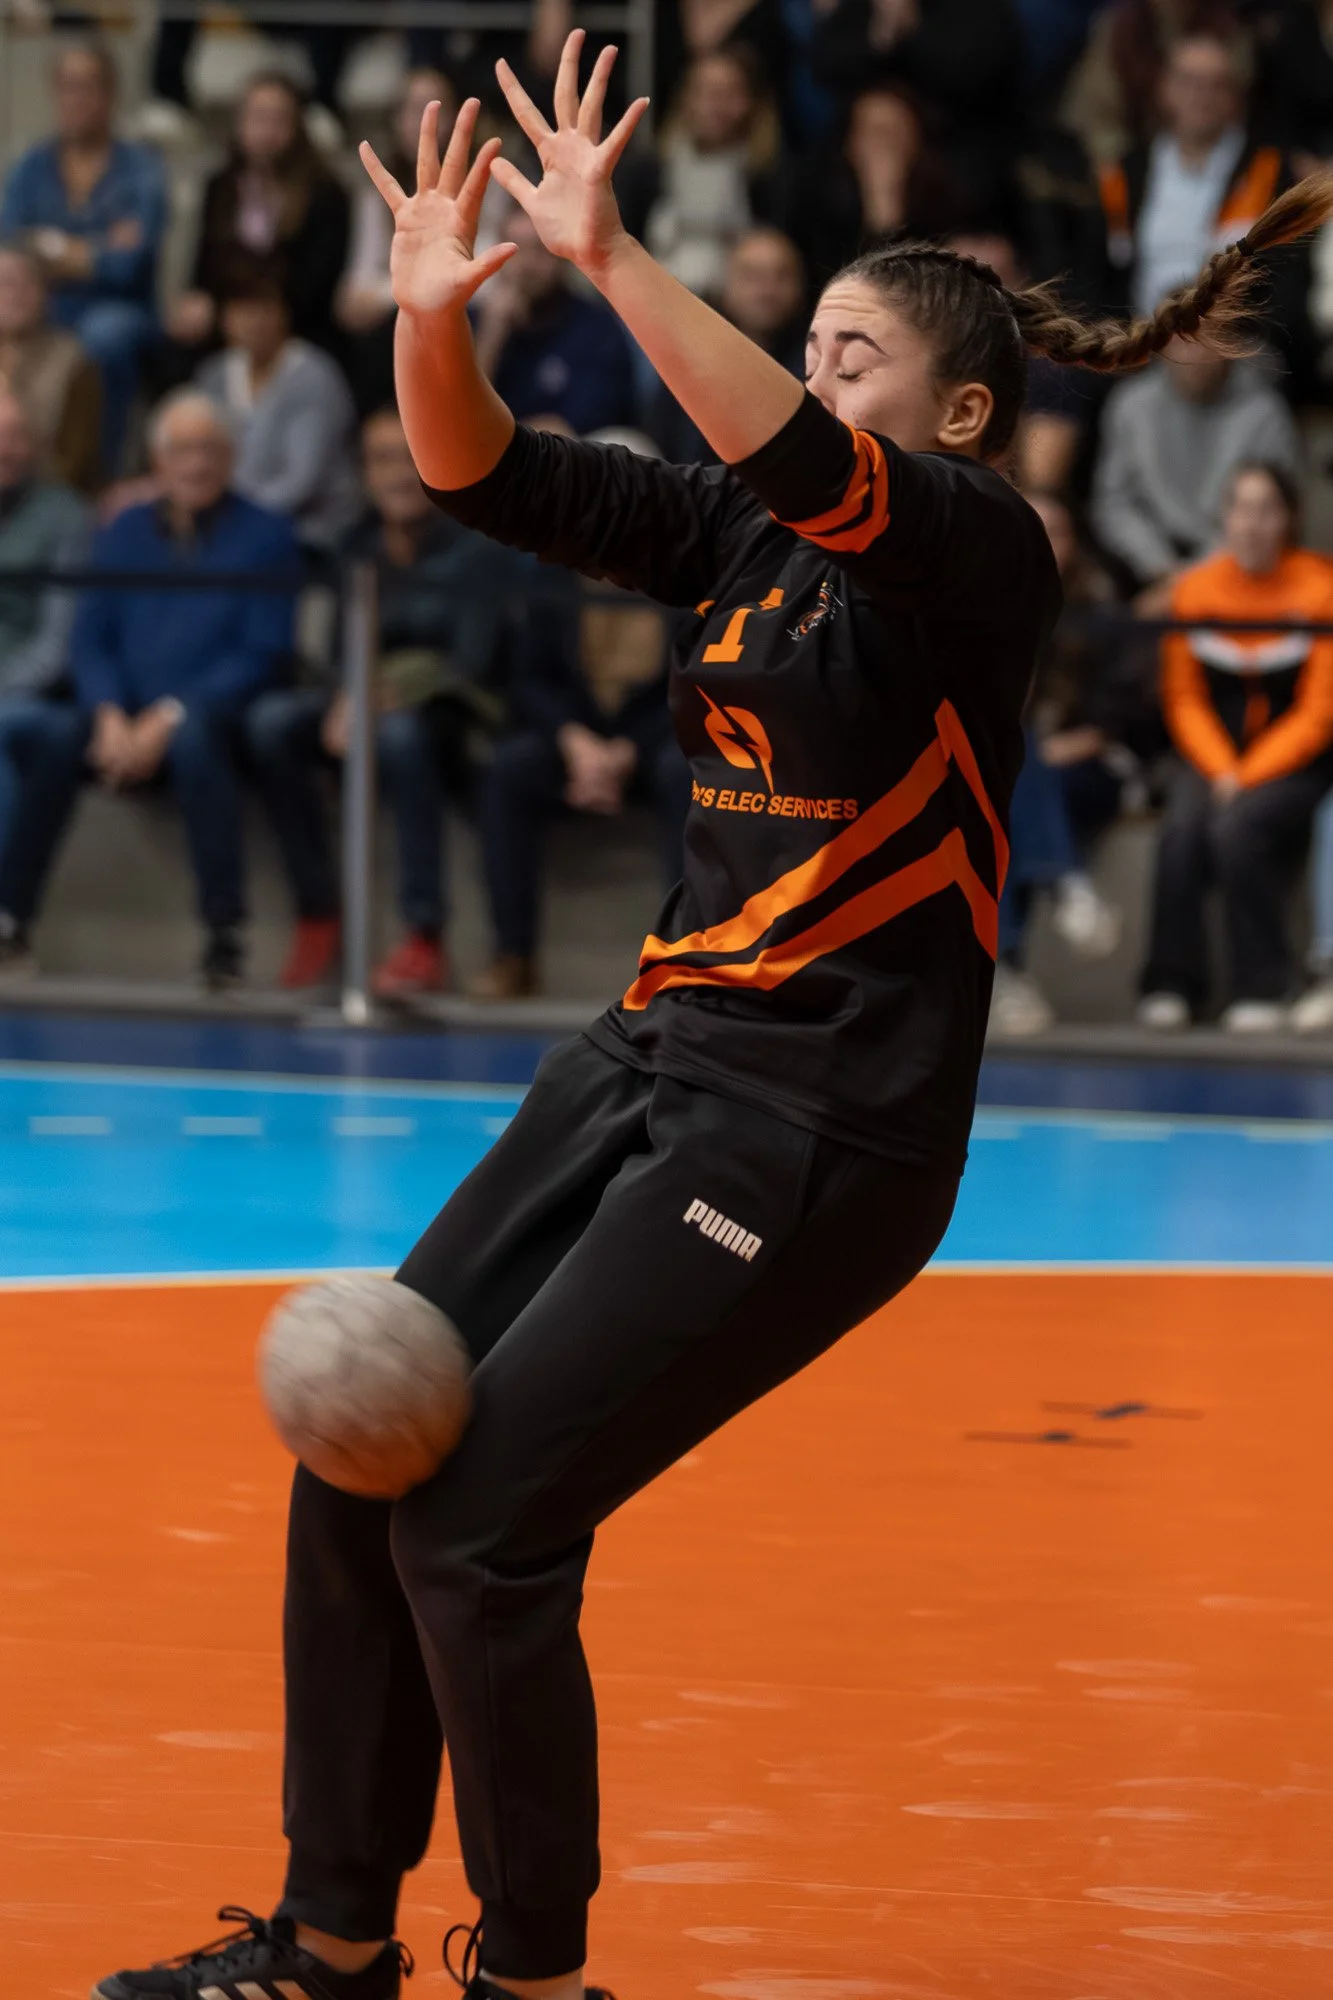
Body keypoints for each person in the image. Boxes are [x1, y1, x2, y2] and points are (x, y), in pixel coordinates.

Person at [91, 42, 1333, 2000]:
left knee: (483, 1531)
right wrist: (435, 316)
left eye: (853, 352)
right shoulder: (741, 537)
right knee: (361, 1458)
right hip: (653, 1058)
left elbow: (796, 457)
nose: (816, 372)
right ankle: (329, 1941)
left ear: (962, 411)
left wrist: (605, 257)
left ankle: (540, 1972)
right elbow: (477, 466)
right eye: (811, 344)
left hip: (825, 1128)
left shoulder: (981, 554)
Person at [246, 406, 515, 995]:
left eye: (411, 457)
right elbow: (343, 645)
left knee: (399, 735)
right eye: (382, 460)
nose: (397, 475)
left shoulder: (478, 543)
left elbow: (468, 661)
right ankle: (317, 909)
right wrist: (348, 693)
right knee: (273, 723)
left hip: (450, 715)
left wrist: (373, 695)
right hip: (362, 701)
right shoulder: (355, 544)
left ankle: (424, 932)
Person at [37, 393, 296, 990]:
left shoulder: (267, 534)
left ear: (231, 458)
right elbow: (90, 638)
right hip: (122, 715)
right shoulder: (123, 530)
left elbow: (262, 652)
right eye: (182, 450)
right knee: (49, 734)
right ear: (157, 460)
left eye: (209, 450)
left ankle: (223, 935)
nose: (196, 464)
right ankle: (11, 922)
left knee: (197, 742)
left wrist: (169, 716)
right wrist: (106, 712)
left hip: (214, 715)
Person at [1139, 460, 1333, 1032]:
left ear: (1289, 519)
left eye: (1267, 510)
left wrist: (1248, 776)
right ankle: (1170, 982)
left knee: (1238, 827)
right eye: (1242, 510)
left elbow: (1320, 713)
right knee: (1180, 830)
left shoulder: (1321, 589)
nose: (1252, 524)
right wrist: (1224, 769)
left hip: (1297, 764)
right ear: (1225, 518)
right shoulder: (1197, 590)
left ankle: (1265, 986)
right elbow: (1183, 697)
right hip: (1212, 758)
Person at [472, 563, 690, 1000]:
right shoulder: (549, 576)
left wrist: (629, 748)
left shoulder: (688, 579)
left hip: (657, 736)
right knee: (509, 770)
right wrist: (575, 742)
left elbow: (699, 678)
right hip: (572, 736)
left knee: (685, 773)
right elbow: (527, 679)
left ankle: (684, 959)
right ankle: (513, 956)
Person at [991, 490, 1157, 1036]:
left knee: (1015, 779)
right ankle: (1066, 885)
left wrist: (1054, 748)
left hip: (1097, 768)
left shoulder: (1102, 617)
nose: (1043, 544)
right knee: (1010, 787)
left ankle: (1006, 971)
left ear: (1075, 543)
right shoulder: (985, 609)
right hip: (1022, 773)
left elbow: (1122, 718)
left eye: (1056, 531)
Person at [0, 43, 166, 471]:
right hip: (40, 305)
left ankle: (95, 473)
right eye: (67, 87)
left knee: (102, 336)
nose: (77, 98)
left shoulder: (140, 168)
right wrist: (92, 249)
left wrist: (51, 246)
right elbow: (14, 246)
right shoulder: (32, 165)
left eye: (88, 86)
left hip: (118, 309)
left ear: (110, 93)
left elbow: (128, 266)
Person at [164, 72, 350, 370]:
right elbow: (205, 267)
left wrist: (258, 312)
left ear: (297, 126)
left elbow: (318, 281)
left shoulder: (325, 193)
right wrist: (208, 304)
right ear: (240, 122)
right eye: (258, 117)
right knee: (177, 344)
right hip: (226, 318)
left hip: (296, 321)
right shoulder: (220, 186)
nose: (267, 130)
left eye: (279, 119)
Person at [1094, 32, 1286, 319]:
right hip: (1139, 339)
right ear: (1165, 88)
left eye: (1215, 85)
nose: (1201, 96)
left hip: (1231, 338)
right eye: (1189, 82)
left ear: (1235, 96)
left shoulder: (1268, 170)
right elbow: (1102, 272)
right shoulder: (1125, 172)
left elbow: (1280, 279)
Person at [1091, 334, 1298, 596]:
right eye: (1183, 340)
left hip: (1238, 565)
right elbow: (1113, 504)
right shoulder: (1129, 404)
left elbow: (1273, 513)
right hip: (1145, 571)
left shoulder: (1265, 412)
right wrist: (1161, 568)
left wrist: (1196, 579)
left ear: (1230, 344)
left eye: (1209, 340)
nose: (1195, 353)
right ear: (1161, 343)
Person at [0, 392, 87, 976]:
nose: (6, 448)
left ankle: (6, 918)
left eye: (16, 435)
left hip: (29, 695)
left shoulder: (65, 515)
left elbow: (57, 643)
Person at [195, 269, 361, 552]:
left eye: (262, 310)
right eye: (241, 311)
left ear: (283, 315)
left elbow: (302, 480)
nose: (252, 322)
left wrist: (235, 518)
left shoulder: (313, 376)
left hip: (310, 528)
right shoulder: (214, 375)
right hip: (233, 523)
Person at [614, 44, 783, 300]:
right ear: (685, 99)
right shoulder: (645, 169)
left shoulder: (769, 175)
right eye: (705, 92)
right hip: (655, 300)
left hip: (740, 311)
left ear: (751, 102)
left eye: (729, 93)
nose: (716, 105)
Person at [783, 80, 966, 292]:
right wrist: (877, 214)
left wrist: (890, 211)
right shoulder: (819, 197)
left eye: (891, 133)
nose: (881, 146)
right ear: (850, 144)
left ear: (916, 138)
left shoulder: (948, 197)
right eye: (872, 132)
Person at [471, 205, 637, 434]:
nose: (527, 265)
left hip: (571, 459)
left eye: (540, 250)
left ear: (563, 256)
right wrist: (491, 338)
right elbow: (457, 417)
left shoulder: (597, 329)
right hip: (486, 453)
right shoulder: (473, 321)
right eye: (514, 251)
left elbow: (578, 425)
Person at [647, 224, 805, 460]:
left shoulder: (819, 358)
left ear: (801, 287)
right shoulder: (690, 354)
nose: (768, 290)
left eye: (782, 276)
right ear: (726, 286)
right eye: (753, 276)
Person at [0, 240, 101, 495]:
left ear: (46, 294)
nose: (15, 294)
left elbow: (75, 461)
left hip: (39, 497)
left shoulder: (75, 362)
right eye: (5, 283)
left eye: (28, 283)